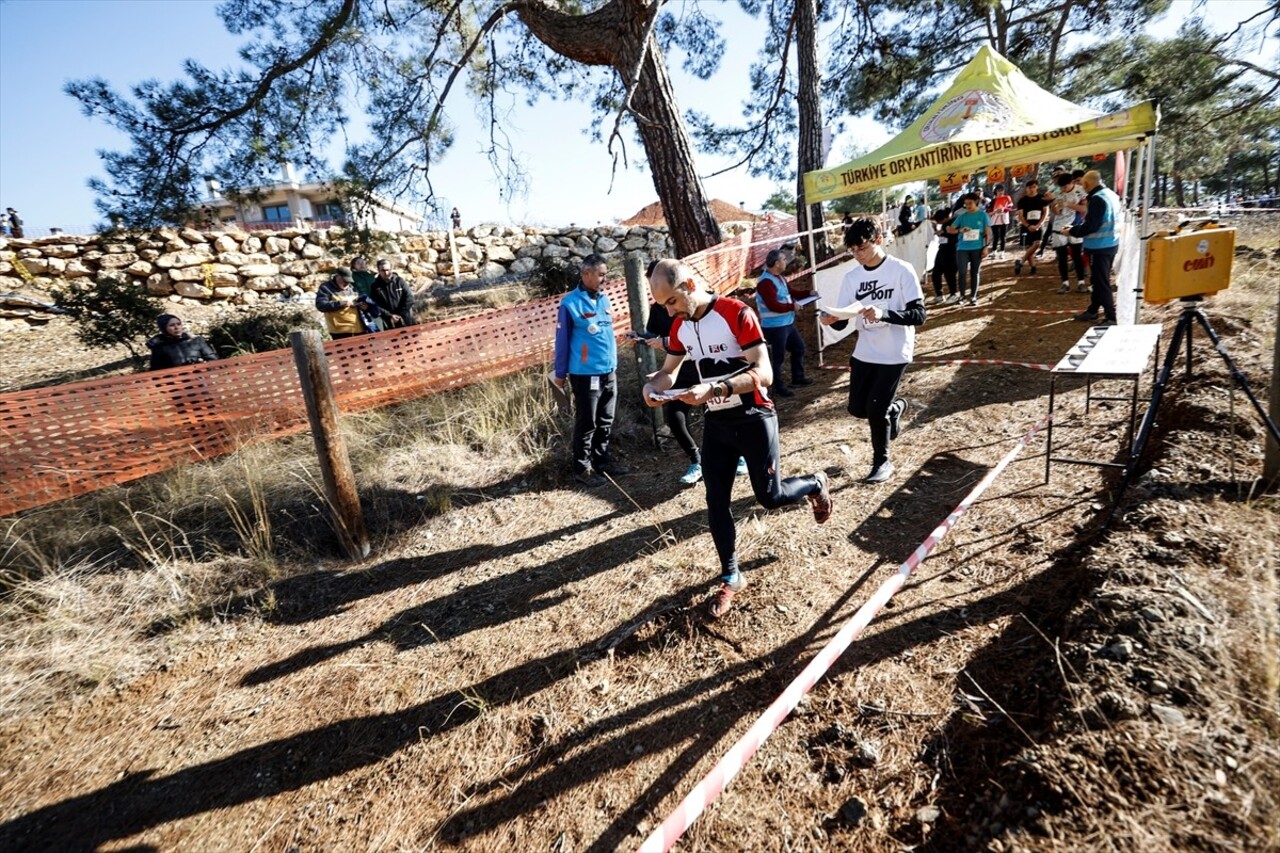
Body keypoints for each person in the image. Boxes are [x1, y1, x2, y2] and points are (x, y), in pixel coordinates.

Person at [643, 258, 833, 617]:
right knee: (716, 502)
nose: (670, 312)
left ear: (689, 285)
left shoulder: (736, 312)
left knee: (770, 497)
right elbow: (669, 371)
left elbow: (764, 374)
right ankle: (731, 574)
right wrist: (652, 386)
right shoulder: (682, 326)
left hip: (754, 418)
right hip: (717, 424)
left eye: (671, 302)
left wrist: (715, 388)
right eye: (663, 306)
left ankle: (814, 482)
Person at [819, 217, 926, 484]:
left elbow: (919, 315)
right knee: (857, 408)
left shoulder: (901, 270)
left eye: (861, 248)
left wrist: (884, 313)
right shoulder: (852, 277)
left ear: (879, 240)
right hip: (865, 351)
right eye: (852, 250)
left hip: (894, 351)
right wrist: (834, 319)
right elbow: (846, 315)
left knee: (875, 409)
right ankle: (895, 409)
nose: (856, 255)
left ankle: (882, 462)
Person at [552, 253, 627, 487]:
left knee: (606, 419)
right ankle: (581, 469)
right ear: (586, 274)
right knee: (587, 423)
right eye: (601, 275)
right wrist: (560, 374)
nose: (605, 279)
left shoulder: (604, 300)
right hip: (585, 374)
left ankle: (602, 460)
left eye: (606, 274)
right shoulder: (570, 303)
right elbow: (562, 341)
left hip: (608, 371)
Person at [755, 248, 813, 398]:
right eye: (783, 259)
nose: (786, 262)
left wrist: (808, 293)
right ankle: (778, 386)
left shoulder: (779, 278)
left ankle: (797, 377)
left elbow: (790, 293)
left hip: (786, 323)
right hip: (774, 327)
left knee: (798, 348)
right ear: (776, 263)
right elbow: (773, 305)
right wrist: (792, 307)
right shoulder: (765, 282)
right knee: (777, 358)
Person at [1068, 170, 1121, 326]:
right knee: (1097, 280)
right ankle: (1093, 310)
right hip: (1110, 243)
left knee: (1101, 282)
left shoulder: (1097, 199)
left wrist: (1071, 230)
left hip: (1100, 246)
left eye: (1082, 183)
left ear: (1086, 184)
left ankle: (1111, 317)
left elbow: (1092, 225)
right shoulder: (1110, 194)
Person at [947, 192, 993, 305]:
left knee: (975, 272)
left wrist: (986, 247)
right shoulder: (962, 216)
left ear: (976, 202)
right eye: (966, 204)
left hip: (977, 247)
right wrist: (960, 230)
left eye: (970, 203)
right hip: (962, 248)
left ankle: (973, 296)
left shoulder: (983, 215)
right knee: (962, 272)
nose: (968, 206)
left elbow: (988, 232)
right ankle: (962, 296)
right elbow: (950, 229)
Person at [316, 267, 384, 338]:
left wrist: (364, 307)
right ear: (337, 276)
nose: (347, 283)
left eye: (348, 281)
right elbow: (321, 305)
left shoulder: (352, 288)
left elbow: (358, 304)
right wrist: (340, 303)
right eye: (345, 281)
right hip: (340, 333)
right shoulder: (325, 288)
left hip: (360, 330)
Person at [1051, 172, 1088, 294]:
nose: (1063, 190)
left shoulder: (1081, 191)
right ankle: (1064, 283)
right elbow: (1054, 208)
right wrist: (1056, 209)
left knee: (1077, 256)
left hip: (1075, 226)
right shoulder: (1057, 192)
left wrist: (1068, 205)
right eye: (1061, 187)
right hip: (1058, 227)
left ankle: (1081, 282)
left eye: (1065, 187)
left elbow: (1084, 209)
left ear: (1072, 183)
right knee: (1062, 257)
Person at [147, 314, 218, 370]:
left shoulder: (196, 341)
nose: (176, 327)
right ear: (164, 328)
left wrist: (202, 365)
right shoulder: (160, 347)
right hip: (176, 383)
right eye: (172, 325)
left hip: (200, 380)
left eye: (178, 324)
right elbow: (156, 370)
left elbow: (213, 360)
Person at [1014, 179, 1050, 276]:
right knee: (1030, 247)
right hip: (1026, 225)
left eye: (1034, 187)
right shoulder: (1022, 201)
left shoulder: (1042, 198)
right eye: (1030, 187)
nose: (1032, 189)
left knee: (1037, 244)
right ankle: (1033, 267)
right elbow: (1020, 215)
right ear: (1026, 189)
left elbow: (1045, 212)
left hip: (1038, 224)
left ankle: (1021, 262)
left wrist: (1039, 224)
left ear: (1037, 187)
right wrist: (1028, 225)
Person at [370, 259, 417, 326]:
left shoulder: (400, 281)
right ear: (378, 270)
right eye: (383, 270)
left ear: (391, 269)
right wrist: (390, 315)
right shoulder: (375, 286)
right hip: (390, 322)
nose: (386, 273)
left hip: (406, 319)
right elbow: (376, 304)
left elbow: (410, 299)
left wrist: (399, 314)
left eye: (388, 270)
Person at [929, 207, 959, 305]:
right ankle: (939, 295)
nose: (940, 223)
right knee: (936, 273)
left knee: (949, 274)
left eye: (940, 221)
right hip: (942, 249)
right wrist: (937, 231)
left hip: (952, 250)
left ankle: (953, 294)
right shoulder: (944, 225)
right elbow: (942, 237)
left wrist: (944, 233)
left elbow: (954, 235)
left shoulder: (955, 222)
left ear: (945, 218)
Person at [988, 184, 1013, 258]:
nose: (1000, 192)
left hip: (1004, 219)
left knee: (1003, 236)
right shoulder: (993, 200)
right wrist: (995, 211)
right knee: (995, 236)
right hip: (994, 220)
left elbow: (1010, 207)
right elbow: (989, 211)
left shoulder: (1007, 197)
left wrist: (1003, 209)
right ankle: (994, 251)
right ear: (995, 191)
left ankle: (1002, 252)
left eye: (1002, 190)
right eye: (998, 190)